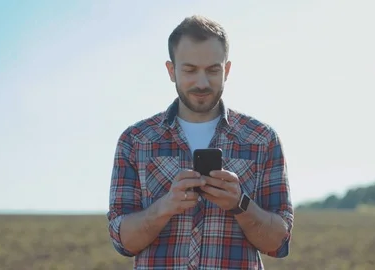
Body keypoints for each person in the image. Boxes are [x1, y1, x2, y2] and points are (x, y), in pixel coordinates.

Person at [107, 15, 294, 270]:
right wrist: (164, 207)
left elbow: (279, 242)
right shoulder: (135, 141)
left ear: (226, 70)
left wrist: (240, 204)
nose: (202, 82)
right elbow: (123, 242)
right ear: (171, 71)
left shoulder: (262, 140)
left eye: (212, 70)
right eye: (190, 70)